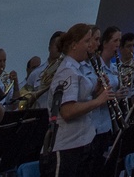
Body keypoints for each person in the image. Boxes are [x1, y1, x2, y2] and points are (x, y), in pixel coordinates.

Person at [41, 24, 112, 177]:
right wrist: (99, 101)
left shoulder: (78, 68)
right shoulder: (67, 70)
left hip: (82, 141)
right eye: (87, 41)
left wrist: (96, 91)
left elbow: (81, 99)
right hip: (67, 146)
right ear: (74, 45)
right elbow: (67, 111)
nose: (90, 45)